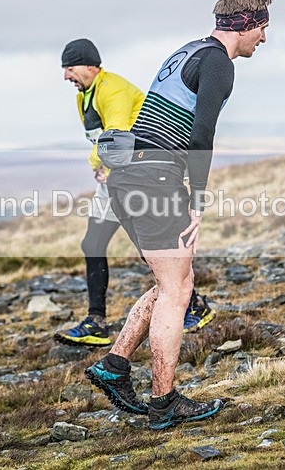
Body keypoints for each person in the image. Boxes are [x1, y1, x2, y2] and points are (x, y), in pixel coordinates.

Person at [85, 0, 272, 428]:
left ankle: (114, 367)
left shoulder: (187, 51)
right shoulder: (219, 63)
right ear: (245, 24)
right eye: (262, 29)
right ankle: (163, 403)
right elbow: (201, 135)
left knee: (172, 279)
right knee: (178, 291)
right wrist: (197, 201)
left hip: (126, 176)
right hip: (155, 177)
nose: (263, 39)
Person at [54, 39, 215, 348]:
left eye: (70, 69)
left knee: (148, 246)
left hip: (136, 175)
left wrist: (96, 162)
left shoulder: (111, 89)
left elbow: (114, 132)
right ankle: (96, 322)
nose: (66, 77)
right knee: (94, 242)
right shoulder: (86, 94)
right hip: (116, 177)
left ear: (90, 66)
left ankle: (192, 305)